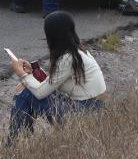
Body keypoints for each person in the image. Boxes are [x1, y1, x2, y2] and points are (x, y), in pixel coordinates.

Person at [6, 11, 106, 142]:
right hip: (92, 108)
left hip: (83, 113)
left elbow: (41, 92)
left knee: (26, 94)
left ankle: (14, 143)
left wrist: (21, 74)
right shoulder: (78, 52)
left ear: (53, 36)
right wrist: (33, 72)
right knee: (27, 91)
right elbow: (53, 83)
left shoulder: (68, 58)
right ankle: (19, 139)